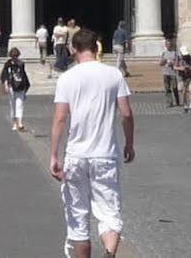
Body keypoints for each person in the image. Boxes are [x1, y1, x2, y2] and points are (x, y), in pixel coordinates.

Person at [48, 26, 133, 258]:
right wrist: (129, 143)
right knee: (109, 213)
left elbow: (60, 118)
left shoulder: (67, 78)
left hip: (76, 155)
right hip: (105, 155)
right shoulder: (114, 74)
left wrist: (54, 155)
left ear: (72, 49)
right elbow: (126, 113)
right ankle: (109, 252)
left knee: (78, 218)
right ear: (96, 48)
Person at [1, 46, 33, 130]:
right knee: (13, 105)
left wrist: (26, 86)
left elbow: (23, 75)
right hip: (11, 86)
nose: (14, 58)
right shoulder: (7, 64)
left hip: (20, 86)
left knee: (19, 105)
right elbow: (5, 75)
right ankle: (14, 123)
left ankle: (20, 123)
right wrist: (5, 84)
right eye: (13, 56)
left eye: (16, 56)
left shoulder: (21, 64)